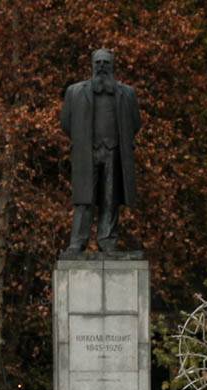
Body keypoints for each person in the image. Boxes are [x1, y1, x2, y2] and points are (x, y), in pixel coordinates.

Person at [61, 48, 141, 252]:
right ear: (92, 65)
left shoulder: (127, 93)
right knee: (84, 200)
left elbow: (135, 123)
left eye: (106, 62)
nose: (102, 66)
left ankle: (108, 240)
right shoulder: (74, 92)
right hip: (87, 152)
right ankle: (78, 241)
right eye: (98, 62)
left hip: (114, 153)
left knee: (110, 199)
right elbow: (66, 123)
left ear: (112, 66)